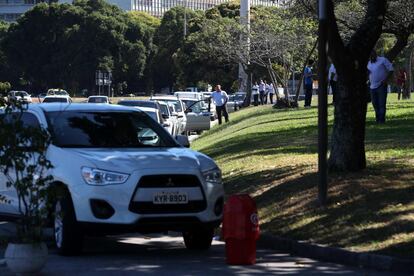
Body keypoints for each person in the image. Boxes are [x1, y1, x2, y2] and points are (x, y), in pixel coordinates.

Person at [367, 50, 394, 124]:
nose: (371, 57)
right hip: (372, 86)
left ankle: (381, 120)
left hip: (381, 85)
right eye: (370, 56)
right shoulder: (369, 63)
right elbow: (368, 73)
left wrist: (385, 80)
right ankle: (378, 119)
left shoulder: (383, 60)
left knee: (381, 103)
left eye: (372, 55)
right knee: (375, 103)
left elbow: (391, 69)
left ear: (375, 54)